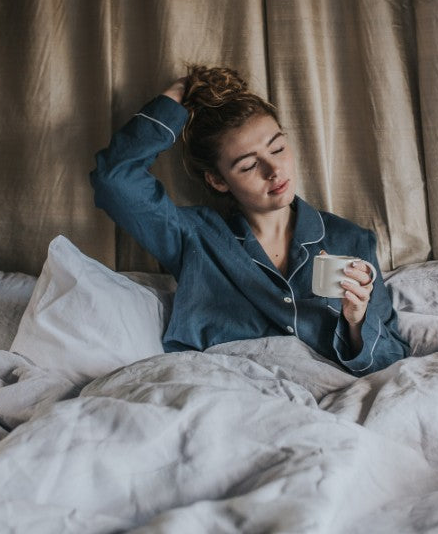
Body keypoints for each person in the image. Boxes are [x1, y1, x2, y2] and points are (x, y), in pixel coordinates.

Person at [91, 66, 408, 375]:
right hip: (221, 391)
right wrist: (180, 95)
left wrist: (356, 321)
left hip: (317, 396)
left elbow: (390, 359)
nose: (274, 170)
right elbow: (114, 180)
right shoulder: (195, 236)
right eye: (247, 166)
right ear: (218, 180)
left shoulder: (350, 241)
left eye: (278, 148)